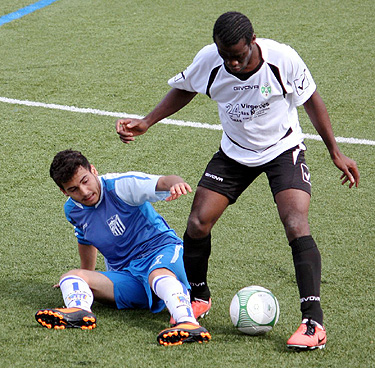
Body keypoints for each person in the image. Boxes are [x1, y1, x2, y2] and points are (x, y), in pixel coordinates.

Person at [115, 12, 360, 350]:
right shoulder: (211, 60)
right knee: (198, 222)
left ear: (253, 41)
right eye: (225, 55)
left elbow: (312, 100)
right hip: (234, 153)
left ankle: (313, 321)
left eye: (238, 55)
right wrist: (147, 122)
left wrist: (335, 151)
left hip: (282, 149)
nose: (232, 62)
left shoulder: (282, 59)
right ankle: (198, 296)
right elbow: (185, 89)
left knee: (294, 222)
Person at [35, 149, 211, 346]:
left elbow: (164, 180)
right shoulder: (73, 210)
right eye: (73, 189)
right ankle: (79, 311)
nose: (84, 192)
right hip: (128, 276)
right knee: (71, 277)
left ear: (93, 170)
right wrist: (84, 278)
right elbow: (85, 240)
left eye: (85, 181)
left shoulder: (121, 186)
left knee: (157, 274)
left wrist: (176, 183)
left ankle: (187, 323)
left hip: (162, 252)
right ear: (63, 192)